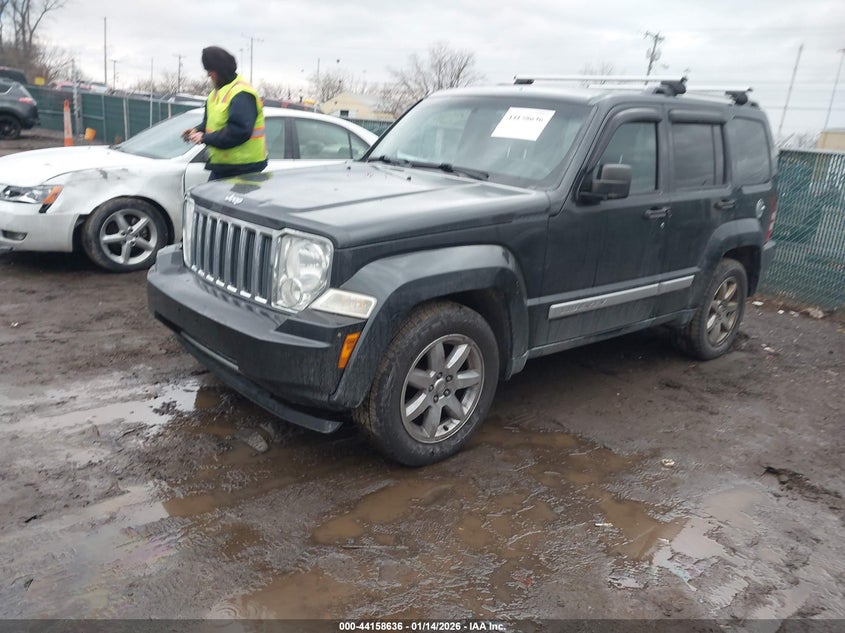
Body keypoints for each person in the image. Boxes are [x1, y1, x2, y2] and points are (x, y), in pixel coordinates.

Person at [181, 46, 268, 180]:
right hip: (224, 166)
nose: (208, 75)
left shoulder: (242, 93)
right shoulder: (215, 94)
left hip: (245, 168)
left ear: (221, 70)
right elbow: (210, 123)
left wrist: (204, 138)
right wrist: (196, 130)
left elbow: (239, 131)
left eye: (210, 70)